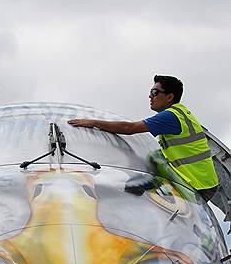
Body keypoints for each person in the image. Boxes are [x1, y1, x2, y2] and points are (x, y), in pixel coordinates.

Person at [68, 75, 218, 200]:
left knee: (155, 158)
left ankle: (140, 189)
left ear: (170, 97)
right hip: (206, 181)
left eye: (155, 92)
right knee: (158, 156)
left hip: (197, 185)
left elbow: (129, 128)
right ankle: (147, 187)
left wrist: (93, 122)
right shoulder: (181, 113)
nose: (150, 96)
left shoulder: (170, 116)